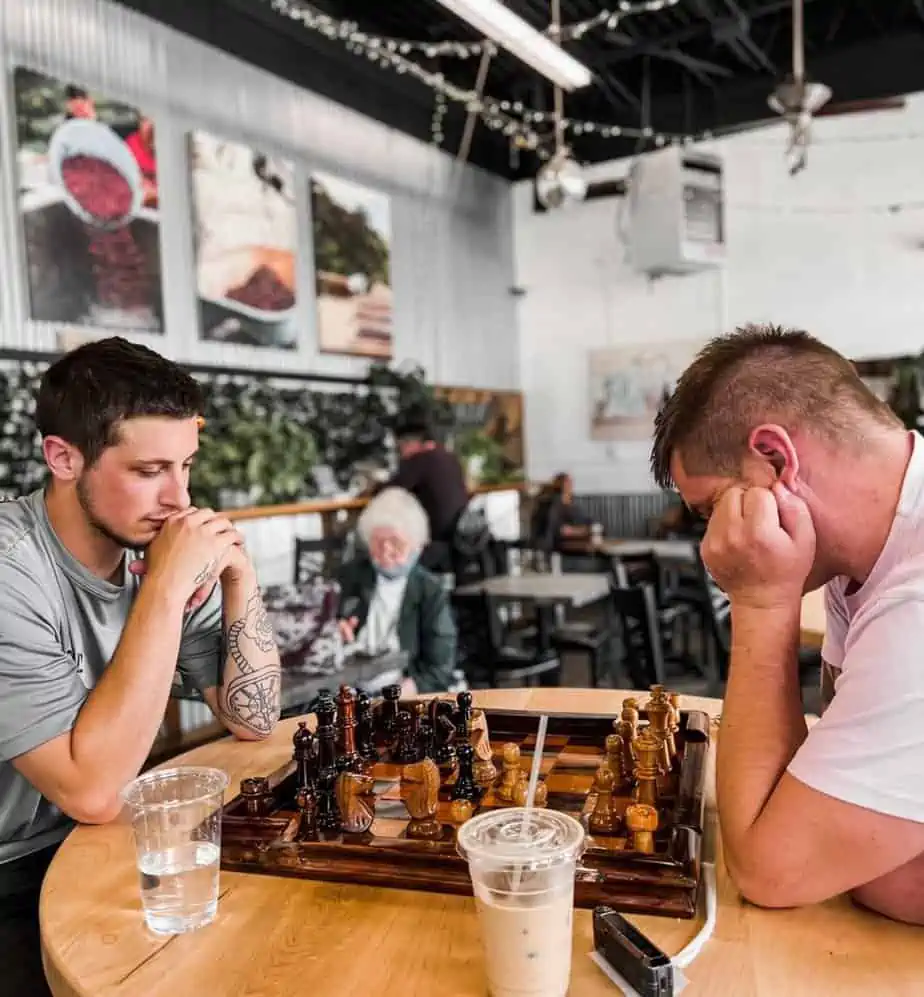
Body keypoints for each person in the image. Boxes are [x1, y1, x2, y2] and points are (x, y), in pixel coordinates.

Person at [0, 337, 281, 995]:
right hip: (13, 869)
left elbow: (253, 716)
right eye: (149, 469)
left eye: (186, 466)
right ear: (63, 457)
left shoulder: (151, 544)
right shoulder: (13, 572)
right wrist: (161, 589)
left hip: (104, 846)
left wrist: (240, 580)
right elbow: (91, 791)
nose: (178, 498)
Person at [650, 323, 924, 925]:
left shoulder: (915, 601)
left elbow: (771, 869)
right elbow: (826, 785)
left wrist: (762, 603)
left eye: (710, 509)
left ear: (774, 459)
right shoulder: (865, 550)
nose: (709, 546)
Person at [336, 487, 457, 696]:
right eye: (378, 542)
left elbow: (439, 670)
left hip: (400, 695)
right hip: (349, 689)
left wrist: (394, 698)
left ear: (416, 546)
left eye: (395, 542)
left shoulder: (430, 591)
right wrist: (335, 630)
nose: (386, 551)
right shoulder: (351, 576)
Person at [390, 411, 469, 572]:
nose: (400, 454)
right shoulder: (449, 457)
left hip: (435, 541)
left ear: (409, 443)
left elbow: (391, 489)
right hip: (459, 538)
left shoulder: (418, 460)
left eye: (400, 448)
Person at [530, 473, 592, 550]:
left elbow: (585, 522)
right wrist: (575, 530)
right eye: (567, 482)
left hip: (576, 543)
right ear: (561, 485)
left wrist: (587, 528)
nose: (570, 485)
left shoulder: (573, 504)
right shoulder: (551, 505)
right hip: (557, 547)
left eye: (570, 482)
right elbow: (558, 528)